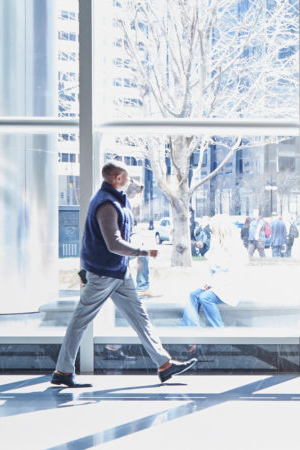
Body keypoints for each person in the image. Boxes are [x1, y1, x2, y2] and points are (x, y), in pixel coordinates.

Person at [51, 161, 196, 388]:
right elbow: (114, 244)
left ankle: (164, 365)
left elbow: (125, 231)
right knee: (80, 320)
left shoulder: (118, 200)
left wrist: (137, 245)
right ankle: (62, 370)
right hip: (103, 273)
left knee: (140, 316)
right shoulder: (106, 204)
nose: (130, 181)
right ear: (117, 178)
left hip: (118, 271)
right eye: (127, 177)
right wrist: (144, 252)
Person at [180, 218, 246, 328]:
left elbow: (232, 276)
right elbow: (211, 270)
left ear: (220, 232)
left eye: (213, 231)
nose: (211, 234)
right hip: (217, 284)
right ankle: (187, 327)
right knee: (193, 294)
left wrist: (213, 284)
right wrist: (208, 283)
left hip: (229, 287)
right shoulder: (216, 246)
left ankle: (218, 328)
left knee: (205, 297)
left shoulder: (235, 250)